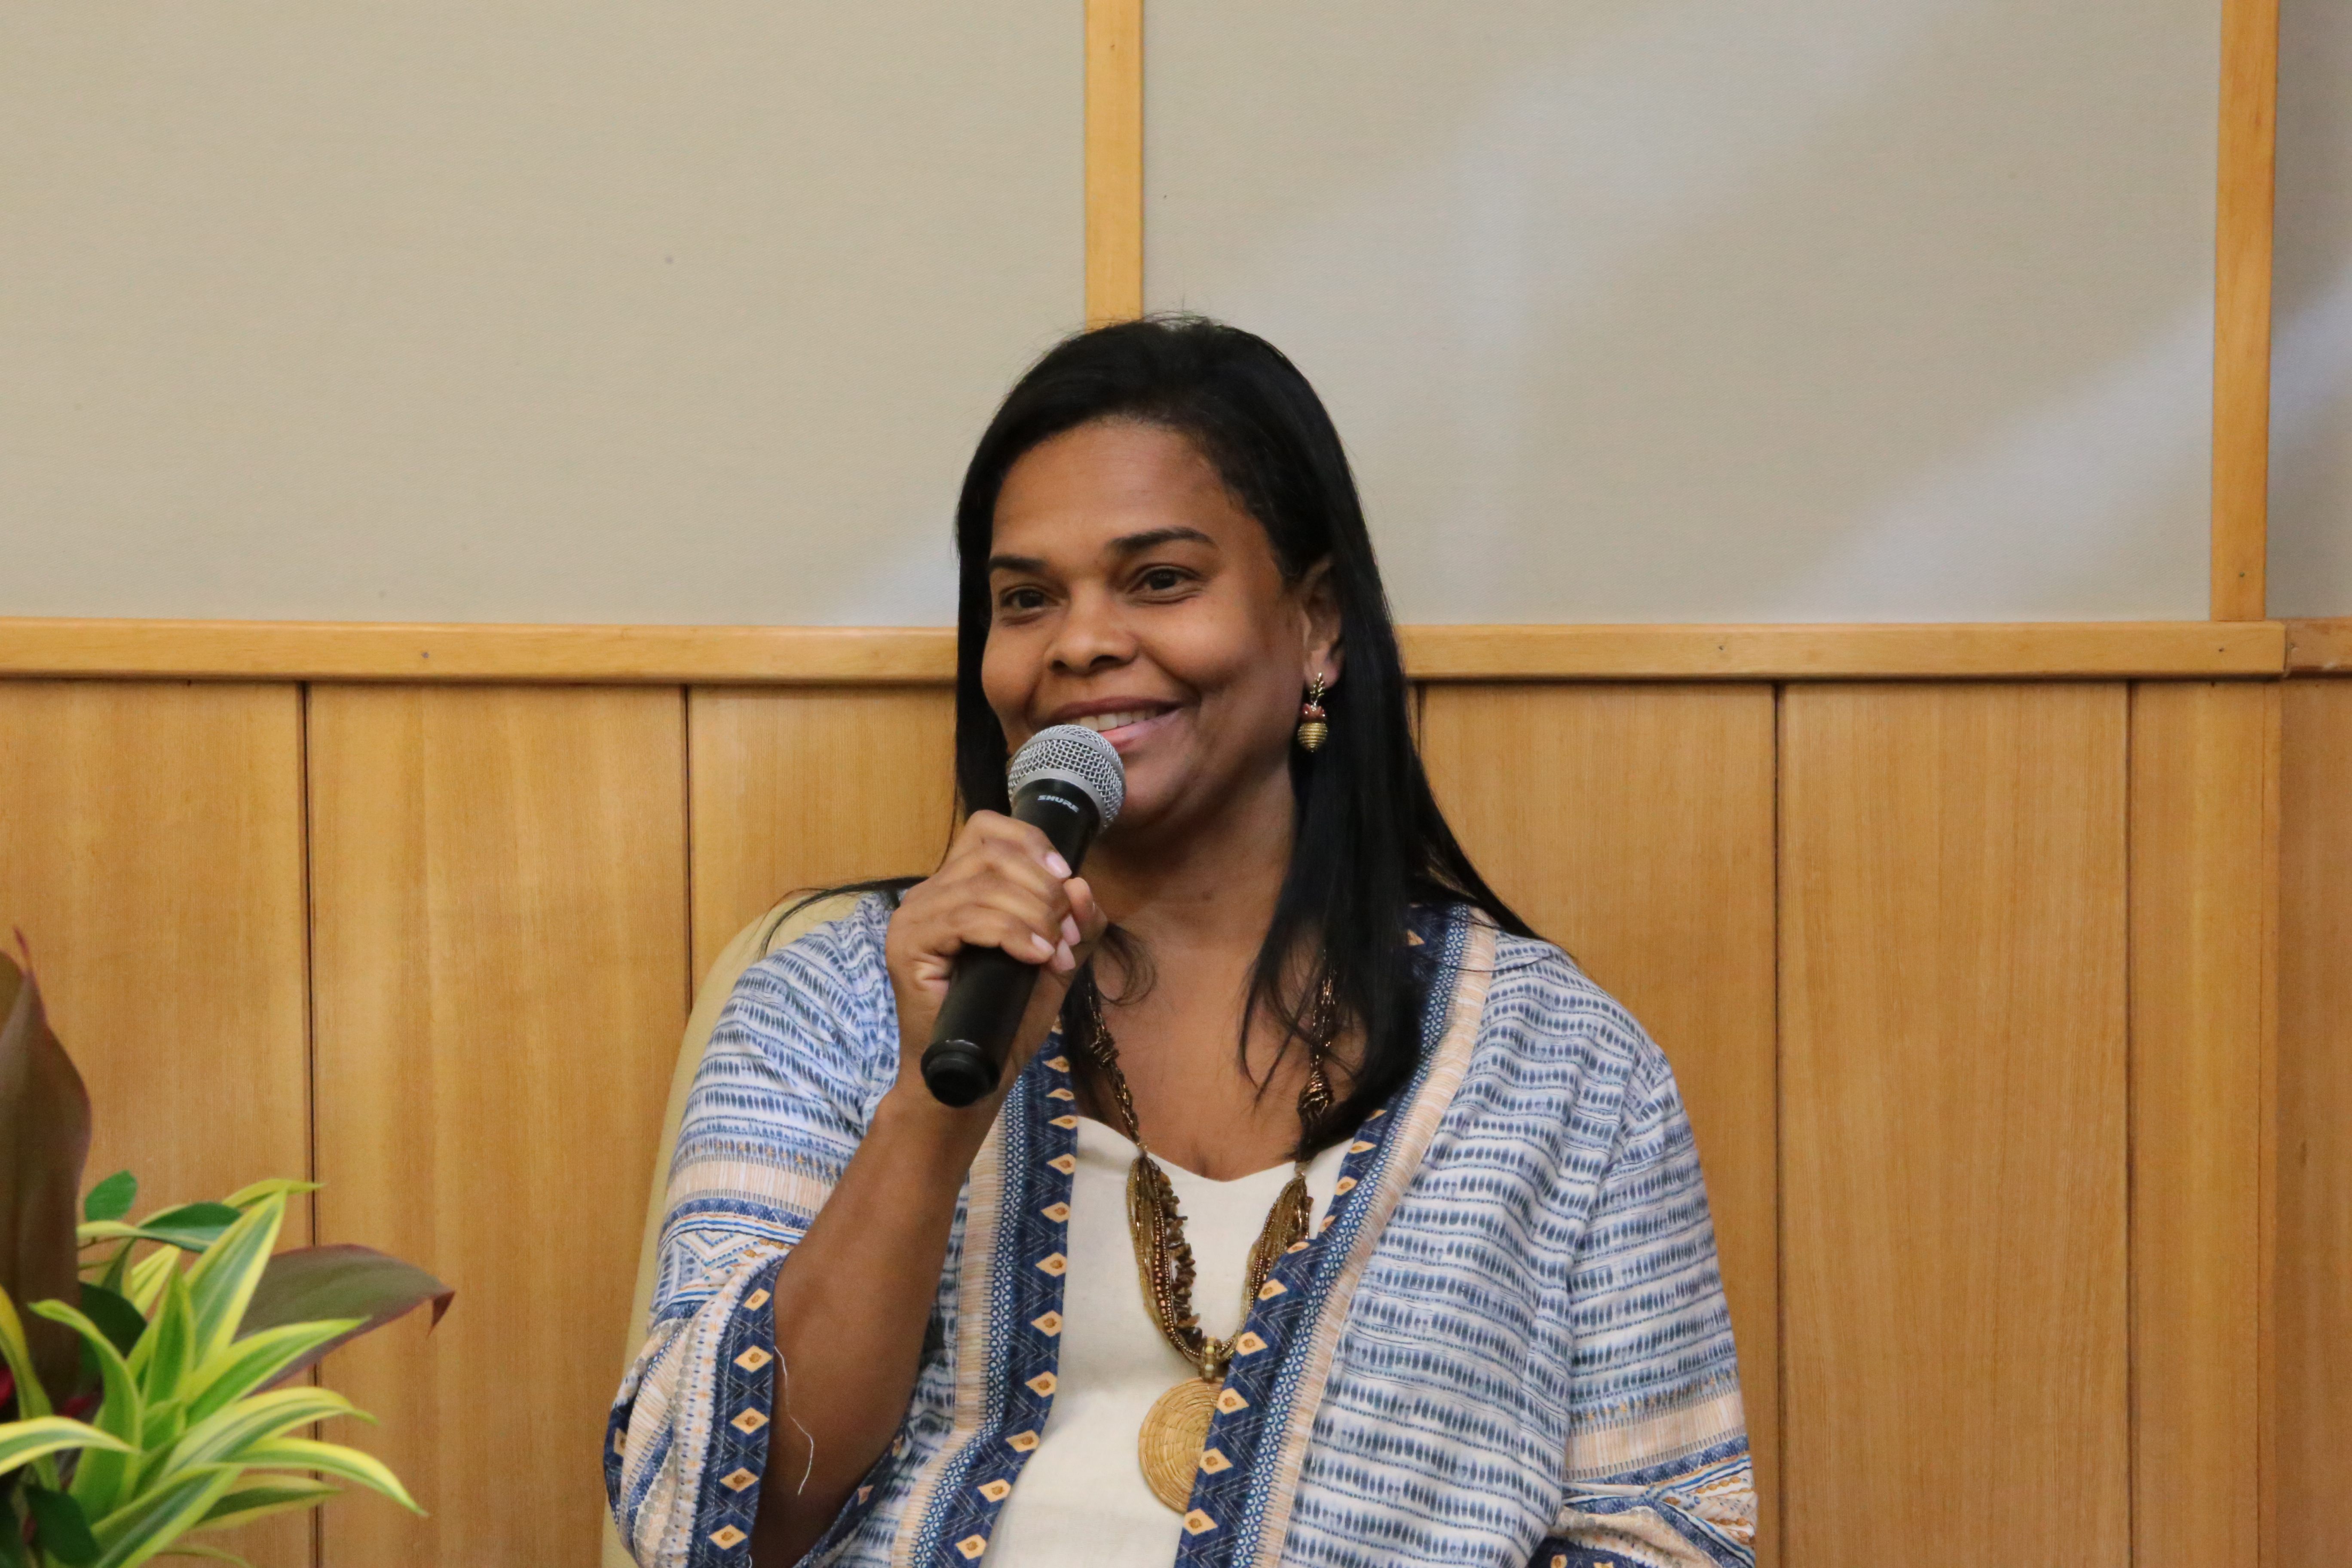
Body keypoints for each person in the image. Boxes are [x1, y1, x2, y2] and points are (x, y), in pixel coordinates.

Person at [606, 317, 1755, 1568]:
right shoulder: (828, 1001)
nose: (1082, 639)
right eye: (1025, 598)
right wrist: (935, 1110)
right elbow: (709, 1517)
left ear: (1318, 627)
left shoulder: (1567, 1065)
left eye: (1159, 580)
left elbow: (1667, 1532)